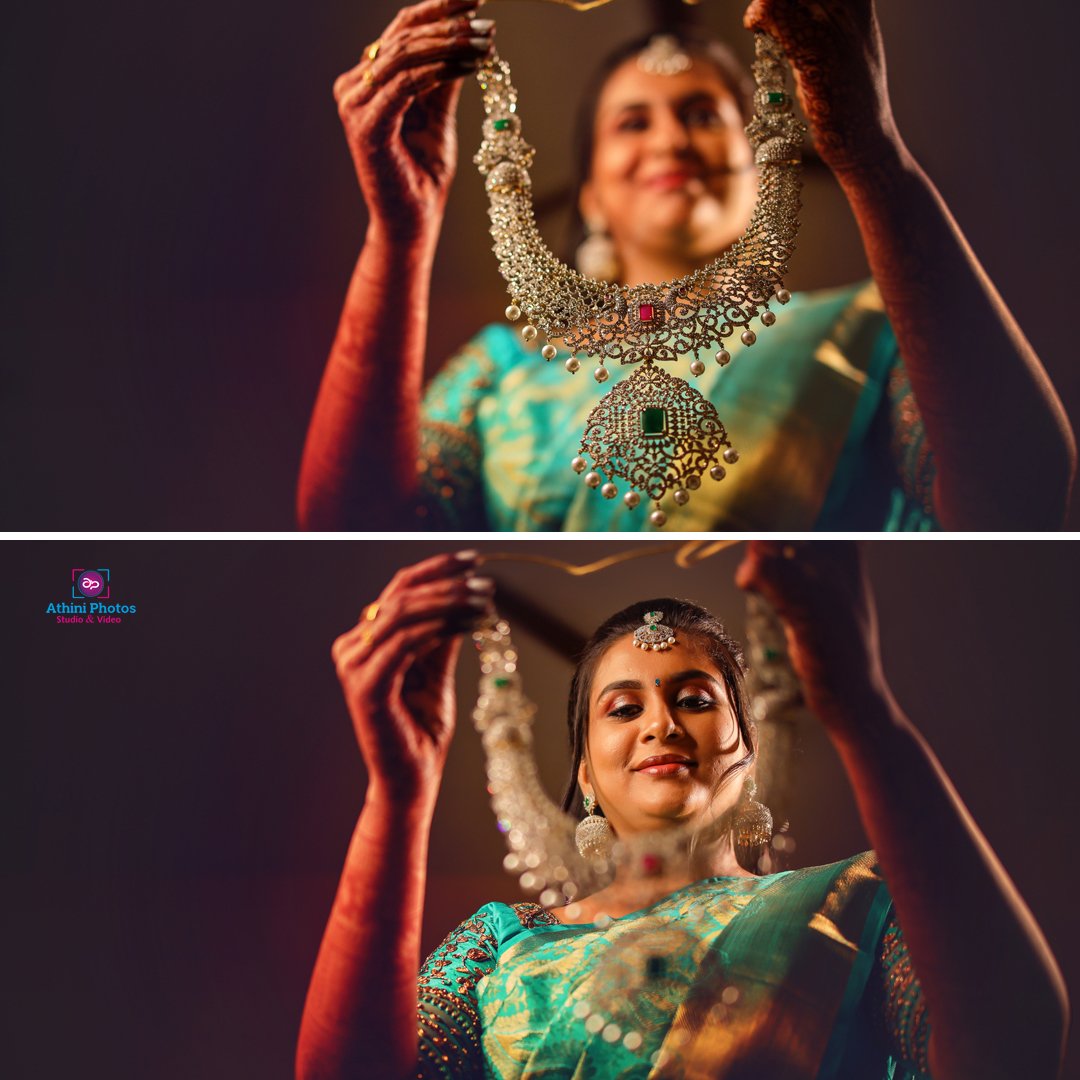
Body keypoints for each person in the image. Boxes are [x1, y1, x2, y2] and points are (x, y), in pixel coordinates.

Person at [295, 543, 1068, 1078]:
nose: (661, 725)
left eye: (693, 699)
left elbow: (1013, 1051)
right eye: (622, 709)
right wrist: (397, 795)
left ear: (749, 748)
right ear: (586, 776)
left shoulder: (863, 903)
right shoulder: (498, 951)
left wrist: (861, 705)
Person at [297, 0, 1074, 531]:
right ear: (592, 195)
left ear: (763, 162)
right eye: (633, 122)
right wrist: (400, 233)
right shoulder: (500, 370)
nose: (670, 140)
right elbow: (349, 538)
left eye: (704, 116)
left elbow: (1020, 499)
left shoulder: (871, 324)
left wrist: (872, 149)